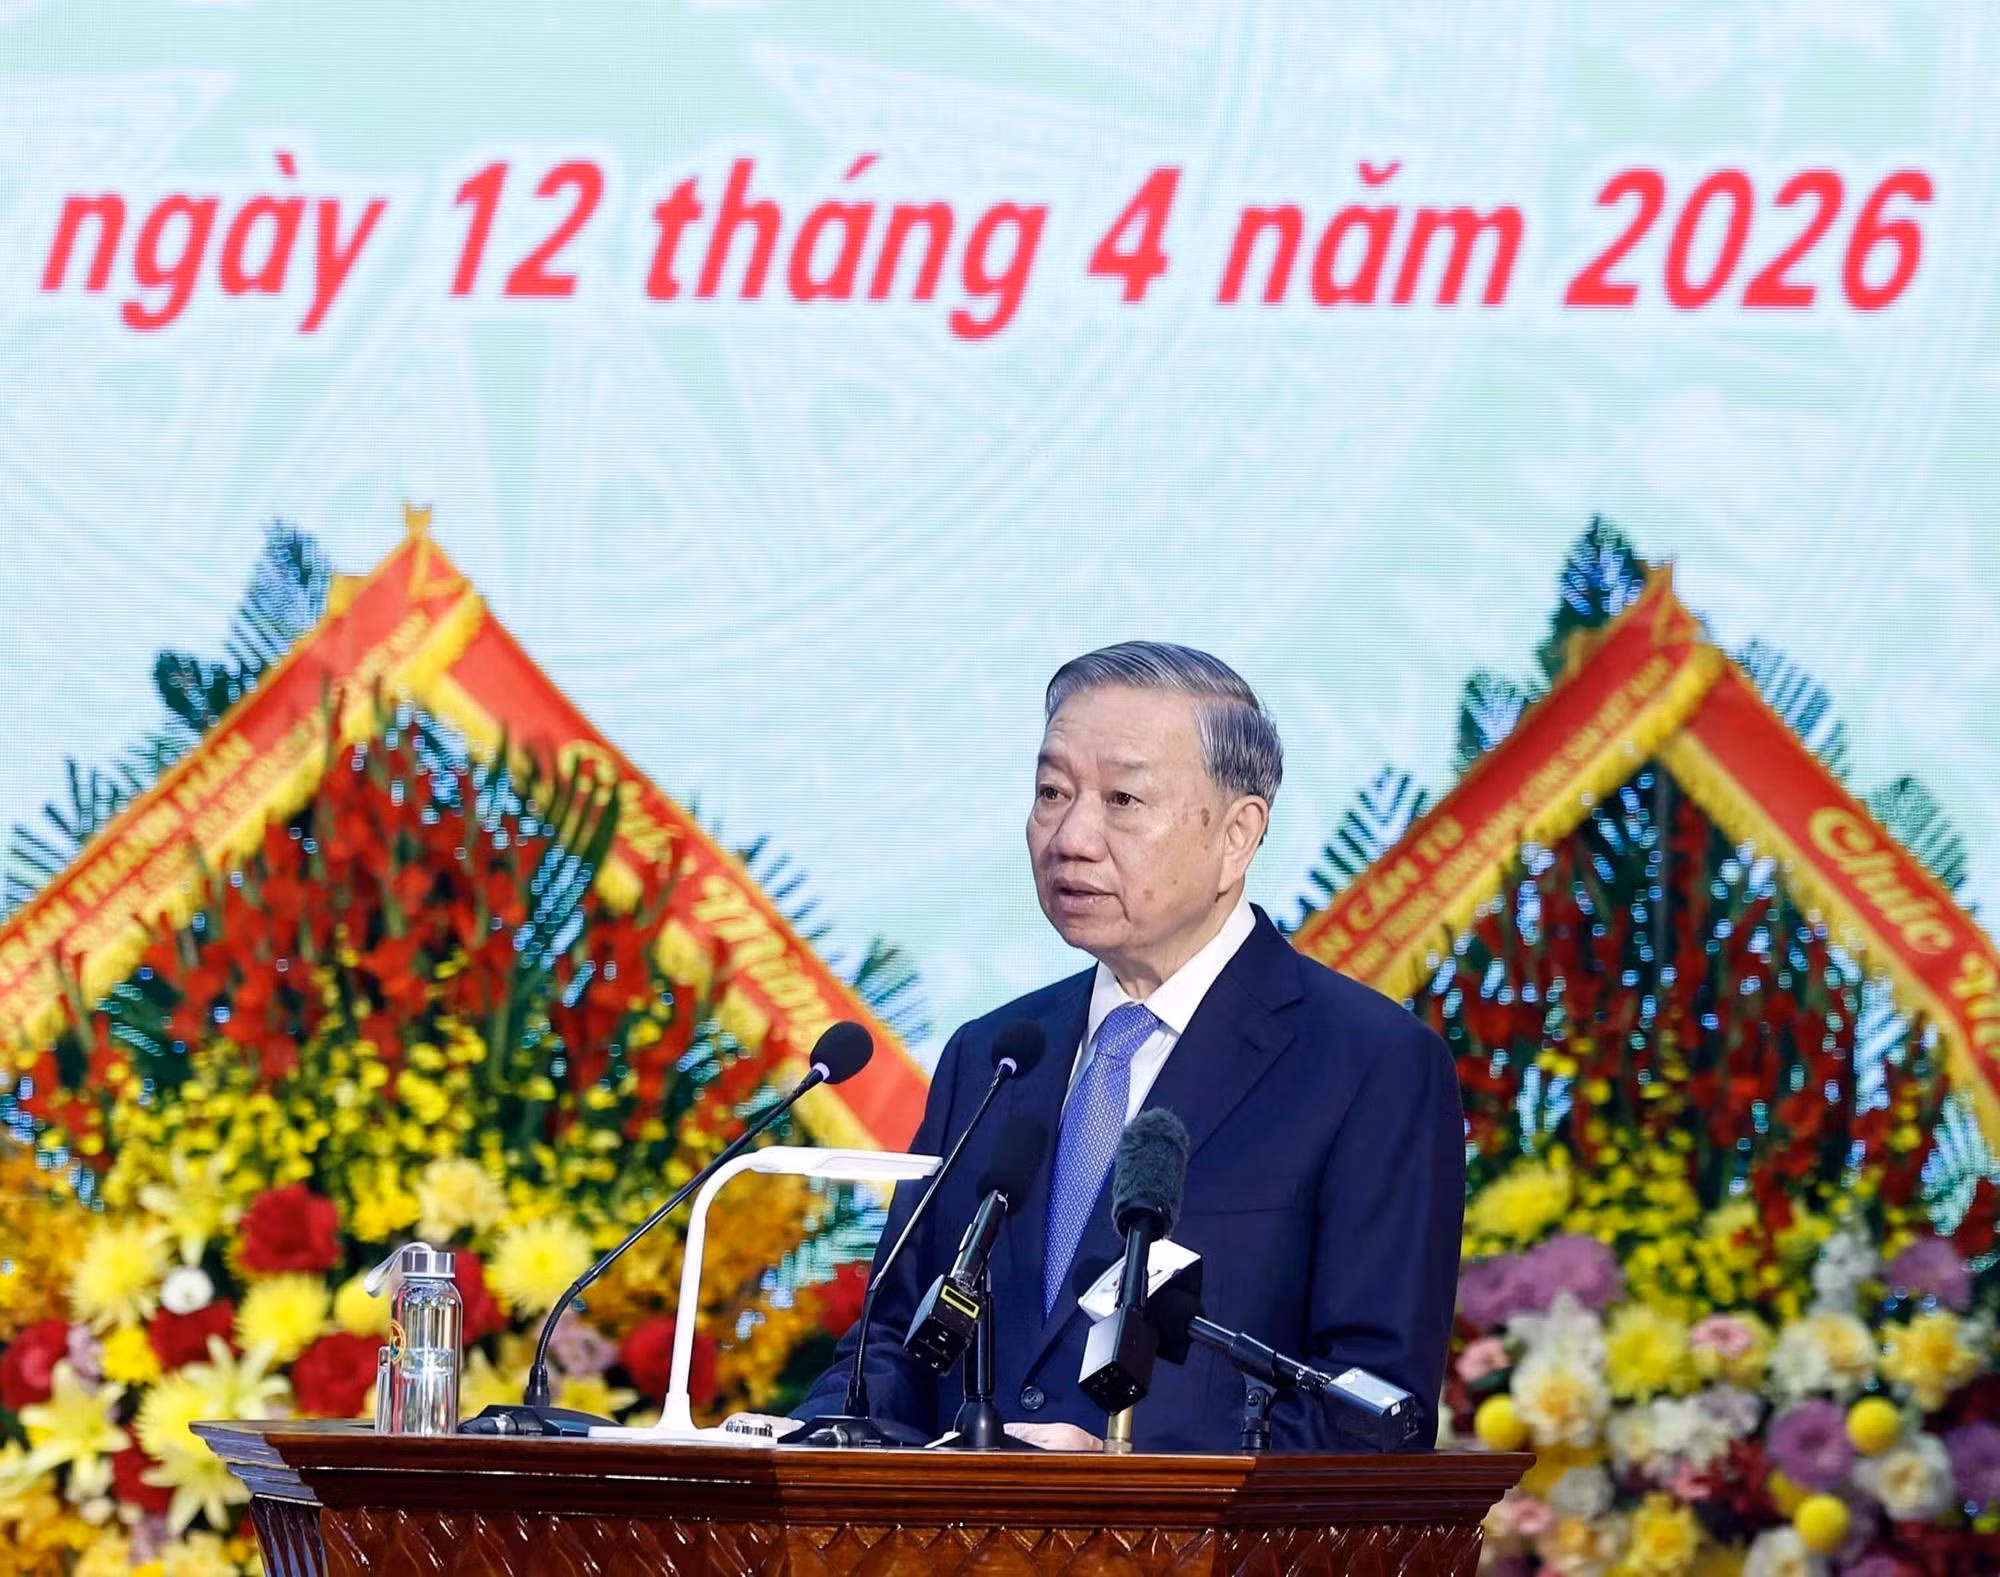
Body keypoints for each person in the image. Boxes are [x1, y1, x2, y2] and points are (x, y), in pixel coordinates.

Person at [736, 641, 1464, 1451]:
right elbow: (894, 1338)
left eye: (1122, 799)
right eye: (1052, 792)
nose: (1071, 835)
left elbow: (1372, 1413)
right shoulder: (994, 1056)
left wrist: (1125, 1474)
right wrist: (814, 1439)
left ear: (1237, 834)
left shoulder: (1367, 1063)